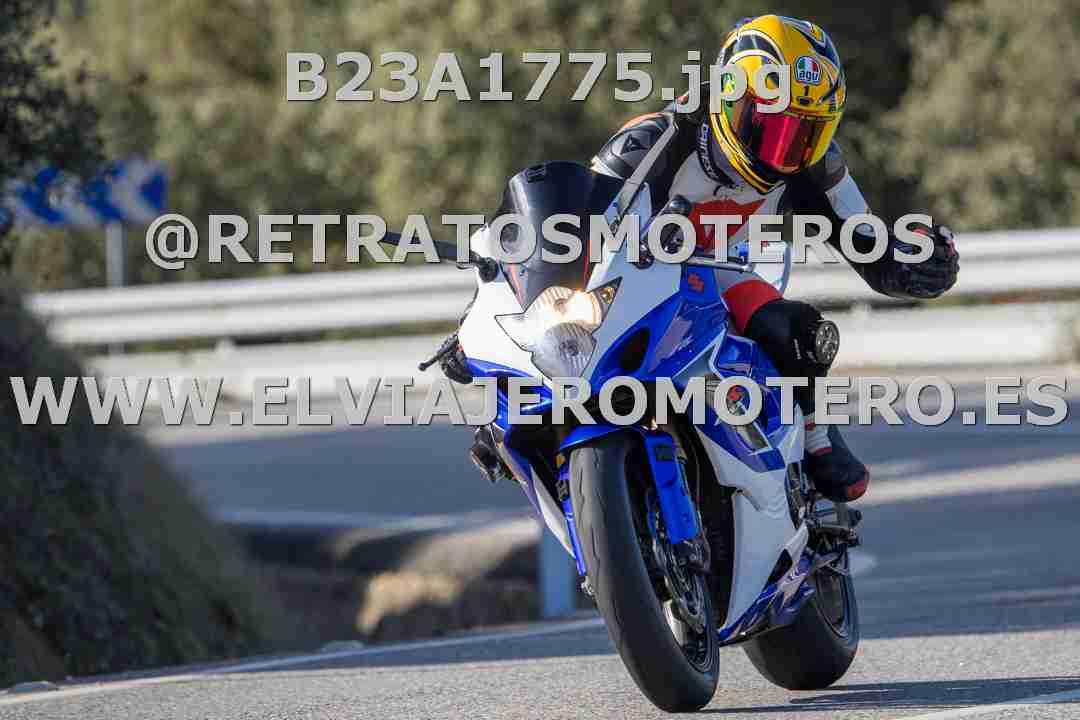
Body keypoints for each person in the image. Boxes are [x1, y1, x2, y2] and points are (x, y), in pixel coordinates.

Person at [443, 14, 959, 503]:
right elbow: (564, 231)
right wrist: (484, 322)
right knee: (562, 341)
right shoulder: (653, 140)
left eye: (805, 134)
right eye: (770, 127)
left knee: (796, 332)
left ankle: (815, 435)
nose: (784, 153)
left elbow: (869, 245)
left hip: (723, 272)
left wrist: (917, 263)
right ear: (731, 95)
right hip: (636, 275)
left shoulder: (815, 166)